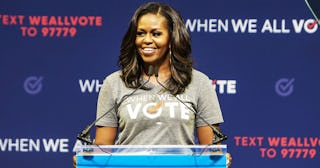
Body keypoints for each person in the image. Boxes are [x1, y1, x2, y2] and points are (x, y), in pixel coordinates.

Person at [74, 1, 231, 167]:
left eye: (156, 34)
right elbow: (102, 149)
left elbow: (210, 150)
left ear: (172, 38)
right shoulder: (114, 83)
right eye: (141, 33)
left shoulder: (199, 83)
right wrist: (88, 160)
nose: (147, 40)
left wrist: (219, 159)